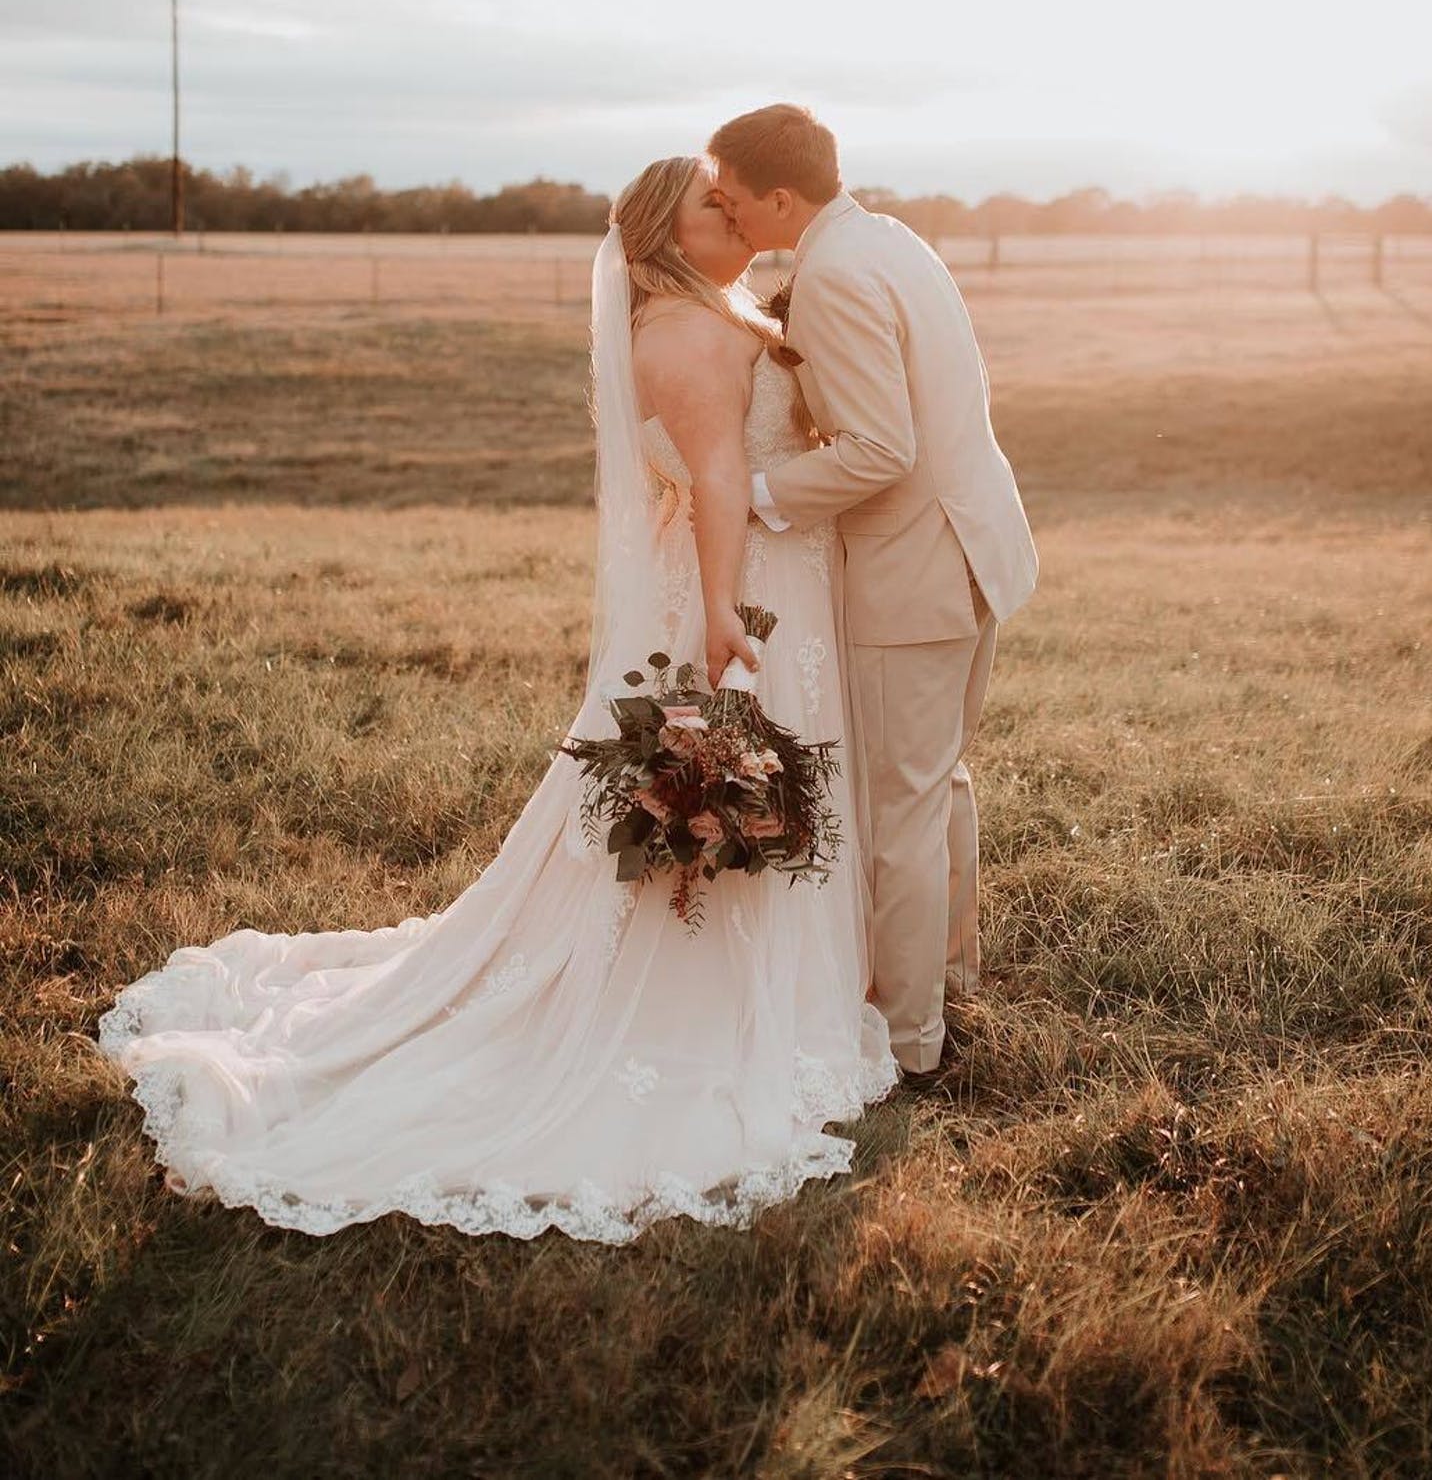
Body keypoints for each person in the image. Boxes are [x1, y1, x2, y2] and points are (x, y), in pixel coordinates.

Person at [93, 154, 898, 1243]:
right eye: (713, 204)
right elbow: (716, 481)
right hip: (739, 584)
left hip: (745, 570)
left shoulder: (699, 313)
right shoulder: (693, 332)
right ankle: (710, 1003)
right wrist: (724, 623)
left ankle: (772, 983)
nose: (736, 211)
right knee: (727, 773)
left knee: (733, 788)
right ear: (667, 232)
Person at [709, 104, 1039, 1083]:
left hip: (913, 569)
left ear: (780, 196)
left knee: (897, 807)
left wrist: (752, 496)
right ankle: (949, 977)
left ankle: (906, 1042)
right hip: (970, 545)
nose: (728, 217)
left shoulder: (838, 272)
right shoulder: (886, 237)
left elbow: (881, 449)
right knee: (935, 783)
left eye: (733, 201)